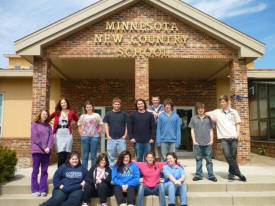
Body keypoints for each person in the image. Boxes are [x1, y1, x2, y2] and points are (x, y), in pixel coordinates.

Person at [205, 95, 247, 182]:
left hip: (233, 137)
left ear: (227, 102)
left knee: (233, 157)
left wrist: (237, 134)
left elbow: (238, 124)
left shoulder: (234, 112)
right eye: (220, 102)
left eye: (223, 101)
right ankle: (239, 173)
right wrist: (211, 116)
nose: (222, 103)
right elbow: (206, 113)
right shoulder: (217, 112)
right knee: (227, 156)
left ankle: (231, 174)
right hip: (224, 138)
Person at [188, 103, 217, 182]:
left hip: (207, 143)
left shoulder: (208, 118)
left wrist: (211, 140)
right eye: (199, 108)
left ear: (204, 109)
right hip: (198, 143)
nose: (201, 110)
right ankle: (198, 175)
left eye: (202, 108)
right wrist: (194, 141)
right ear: (197, 110)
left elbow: (211, 130)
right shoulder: (193, 118)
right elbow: (192, 130)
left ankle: (211, 176)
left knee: (209, 160)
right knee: (198, 159)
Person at [30, 110, 54, 197]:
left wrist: (49, 147)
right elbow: (35, 138)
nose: (45, 115)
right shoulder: (34, 124)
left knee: (44, 171)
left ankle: (42, 189)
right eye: (44, 114)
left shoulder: (48, 126)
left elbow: (51, 137)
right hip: (37, 151)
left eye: (47, 114)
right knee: (35, 170)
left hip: (46, 152)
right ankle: (35, 189)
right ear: (40, 115)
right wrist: (44, 148)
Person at [50, 98, 79, 167]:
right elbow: (48, 118)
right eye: (62, 103)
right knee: (60, 154)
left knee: (67, 154)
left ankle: (66, 171)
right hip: (59, 134)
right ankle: (60, 172)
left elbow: (77, 119)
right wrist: (53, 124)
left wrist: (73, 124)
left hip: (68, 134)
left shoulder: (71, 112)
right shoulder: (57, 112)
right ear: (60, 105)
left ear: (67, 103)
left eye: (64, 102)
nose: (63, 104)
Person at [103, 97, 128, 168]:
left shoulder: (124, 114)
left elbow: (127, 125)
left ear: (120, 105)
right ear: (113, 105)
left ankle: (122, 170)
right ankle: (111, 171)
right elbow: (106, 125)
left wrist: (125, 135)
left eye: (118, 104)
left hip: (121, 139)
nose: (117, 105)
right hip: (111, 139)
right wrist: (107, 135)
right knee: (111, 157)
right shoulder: (108, 114)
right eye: (115, 104)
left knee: (122, 156)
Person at [78, 100, 103, 169]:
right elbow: (79, 125)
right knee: (85, 155)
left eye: (90, 107)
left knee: (93, 156)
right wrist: (81, 134)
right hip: (85, 137)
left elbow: (101, 124)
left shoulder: (96, 115)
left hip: (94, 137)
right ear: (85, 108)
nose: (89, 108)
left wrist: (99, 132)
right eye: (87, 107)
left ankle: (93, 171)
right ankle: (84, 171)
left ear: (92, 107)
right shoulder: (82, 116)